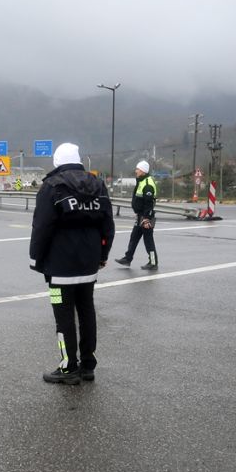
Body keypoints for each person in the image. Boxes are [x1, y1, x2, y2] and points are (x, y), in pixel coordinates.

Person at [29, 142, 115, 385]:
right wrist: (103, 254)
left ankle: (68, 368)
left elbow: (42, 228)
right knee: (87, 311)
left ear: (57, 161)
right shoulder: (98, 185)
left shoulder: (51, 187)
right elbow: (108, 224)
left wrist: (36, 258)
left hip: (59, 269)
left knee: (63, 316)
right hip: (89, 266)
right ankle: (88, 365)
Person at [114, 160, 158, 269]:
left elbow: (149, 204)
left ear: (143, 171)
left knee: (148, 242)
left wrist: (146, 218)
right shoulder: (141, 181)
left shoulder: (147, 184)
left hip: (146, 217)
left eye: (138, 169)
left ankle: (153, 263)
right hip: (140, 216)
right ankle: (127, 259)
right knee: (134, 238)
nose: (136, 171)